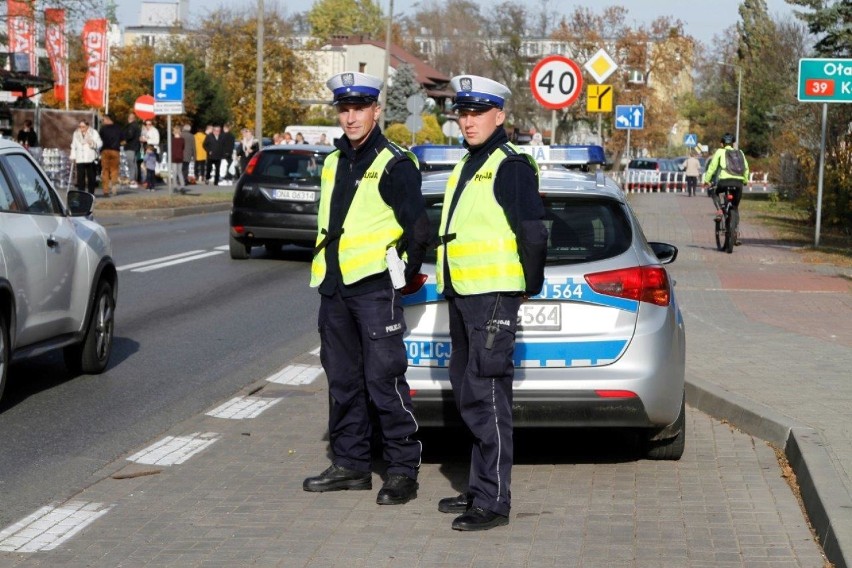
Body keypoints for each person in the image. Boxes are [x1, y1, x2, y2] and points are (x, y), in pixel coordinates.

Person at [303, 71, 430, 507]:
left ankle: (401, 471)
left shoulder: (395, 163)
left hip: (376, 290)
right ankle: (351, 465)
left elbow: (419, 230)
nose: (351, 116)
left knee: (384, 382)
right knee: (342, 382)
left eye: (359, 108)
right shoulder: (333, 161)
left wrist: (402, 276)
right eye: (344, 109)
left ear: (376, 111)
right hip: (335, 289)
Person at [435, 75, 547, 531]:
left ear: (499, 116)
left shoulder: (510, 165)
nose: (468, 121)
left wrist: (529, 285)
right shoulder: (468, 164)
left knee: (489, 396)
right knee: (469, 395)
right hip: (465, 296)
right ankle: (480, 488)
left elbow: (533, 231)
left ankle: (494, 502)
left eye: (477, 113)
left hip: (493, 298)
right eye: (462, 113)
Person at [704, 132, 749, 243]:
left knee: (714, 191)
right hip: (738, 183)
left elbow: (712, 167)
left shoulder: (720, 151)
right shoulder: (741, 153)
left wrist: (706, 180)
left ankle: (719, 210)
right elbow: (746, 168)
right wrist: (745, 180)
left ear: (722, 144)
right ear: (733, 144)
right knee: (735, 207)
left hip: (724, 181)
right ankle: (735, 233)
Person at [70, 120, 102, 194]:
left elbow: (99, 143)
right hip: (80, 158)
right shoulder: (76, 133)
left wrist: (93, 143)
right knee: (80, 177)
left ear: (87, 126)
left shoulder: (93, 133)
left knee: (91, 177)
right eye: (80, 126)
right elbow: (73, 145)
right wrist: (73, 156)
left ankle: (91, 193)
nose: (81, 128)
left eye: (83, 127)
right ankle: (81, 193)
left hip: (90, 158)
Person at [98, 114, 122, 198]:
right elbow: (123, 140)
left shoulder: (103, 129)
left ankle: (105, 190)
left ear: (108, 119)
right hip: (115, 151)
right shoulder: (118, 128)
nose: (103, 121)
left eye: (103, 120)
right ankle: (114, 187)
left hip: (105, 150)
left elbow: (99, 140)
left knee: (105, 171)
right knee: (114, 170)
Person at [122, 113, 142, 187]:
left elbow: (130, 135)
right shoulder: (137, 126)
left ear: (131, 118)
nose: (128, 119)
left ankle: (132, 180)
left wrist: (124, 140)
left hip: (130, 147)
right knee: (134, 164)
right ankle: (134, 180)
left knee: (131, 164)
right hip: (135, 147)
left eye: (129, 117)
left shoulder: (131, 126)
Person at [170, 125, 186, 191]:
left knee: (174, 172)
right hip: (180, 156)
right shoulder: (182, 140)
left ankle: (175, 186)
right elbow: (183, 147)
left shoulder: (172, 140)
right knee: (180, 172)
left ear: (174, 132)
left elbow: (170, 148)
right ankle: (182, 186)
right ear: (180, 132)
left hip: (174, 157)